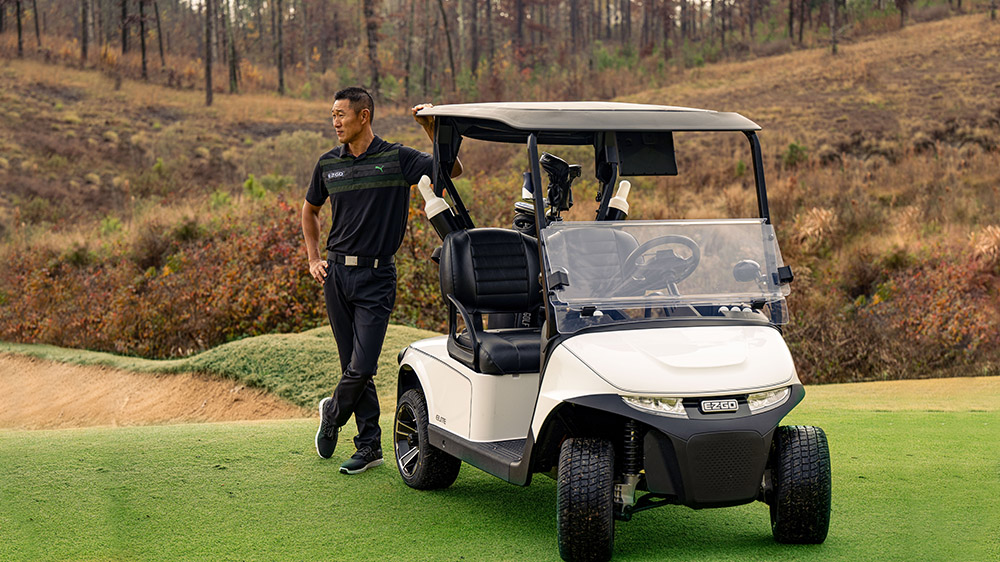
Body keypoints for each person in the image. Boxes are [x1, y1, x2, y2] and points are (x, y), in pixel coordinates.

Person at [301, 87, 461, 475]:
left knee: (363, 364)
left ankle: (333, 413)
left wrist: (430, 127)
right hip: (336, 275)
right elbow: (309, 212)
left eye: (341, 114)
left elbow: (450, 171)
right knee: (351, 366)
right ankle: (369, 445)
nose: (335, 122)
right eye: (332, 115)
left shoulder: (397, 158)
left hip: (376, 276)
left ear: (364, 116)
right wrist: (313, 259)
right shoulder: (327, 164)